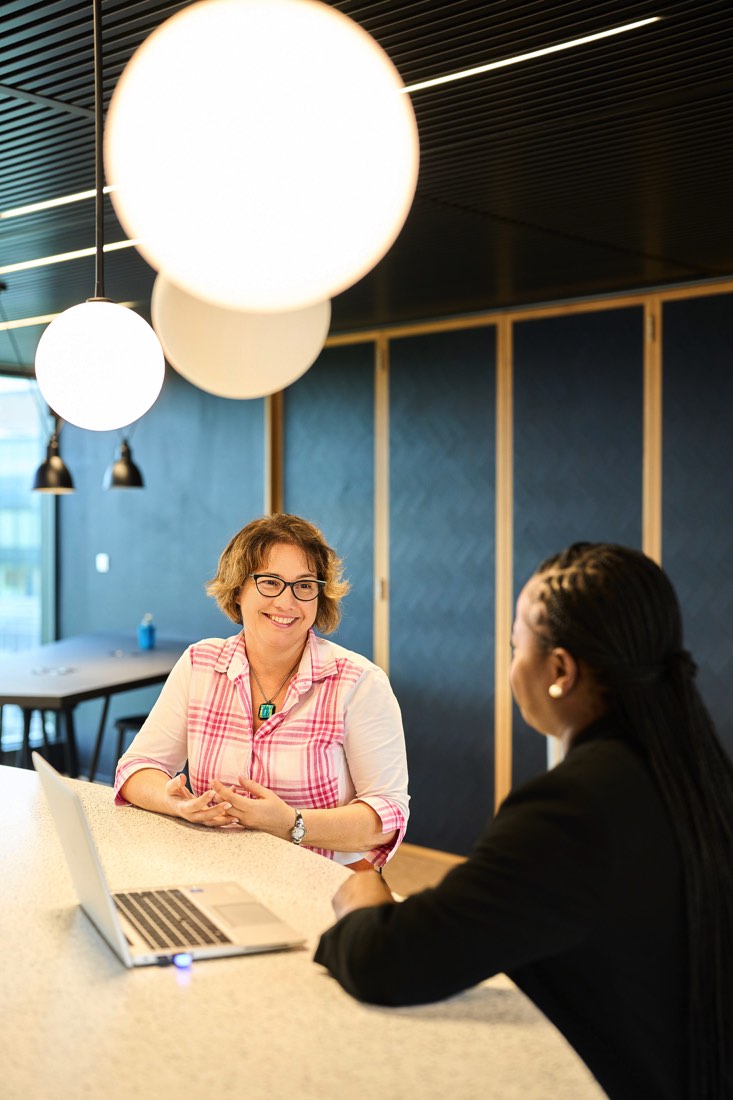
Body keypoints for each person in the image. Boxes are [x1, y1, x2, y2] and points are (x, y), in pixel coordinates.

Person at [315, 542, 733, 1099]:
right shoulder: (699, 775)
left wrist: (363, 894)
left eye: (516, 646)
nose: (513, 665)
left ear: (560, 670)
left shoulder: (573, 809)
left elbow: (393, 961)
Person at [114, 513, 409, 870]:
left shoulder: (359, 682)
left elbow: (387, 816)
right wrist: (173, 801)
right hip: (214, 873)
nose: (287, 602)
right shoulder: (200, 664)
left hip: (321, 882)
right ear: (238, 590)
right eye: (270, 582)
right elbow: (136, 768)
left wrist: (292, 823)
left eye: (304, 586)